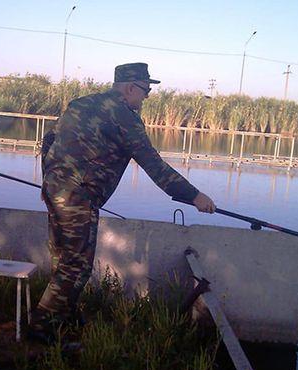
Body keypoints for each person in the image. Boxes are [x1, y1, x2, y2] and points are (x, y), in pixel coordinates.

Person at [31, 62, 216, 341]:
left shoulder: (82, 103)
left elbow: (48, 141)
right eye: (145, 90)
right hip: (78, 197)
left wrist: (50, 179)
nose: (146, 97)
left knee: (63, 259)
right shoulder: (125, 116)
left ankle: (63, 314)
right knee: (76, 265)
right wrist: (194, 196)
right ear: (130, 87)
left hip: (55, 191)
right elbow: (154, 166)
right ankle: (42, 327)